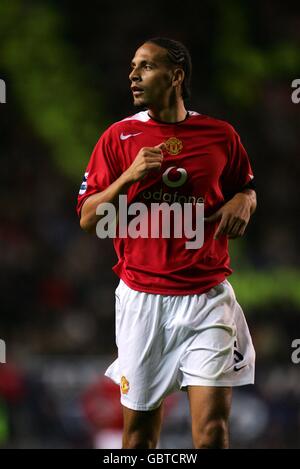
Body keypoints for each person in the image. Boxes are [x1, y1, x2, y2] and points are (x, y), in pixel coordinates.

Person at [77, 37, 257, 449]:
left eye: (145, 66)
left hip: (207, 298)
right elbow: (89, 219)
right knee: (139, 437)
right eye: (132, 67)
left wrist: (245, 200)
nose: (133, 75)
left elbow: (246, 187)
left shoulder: (220, 135)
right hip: (143, 300)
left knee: (212, 432)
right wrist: (129, 177)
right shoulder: (118, 138)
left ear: (175, 76)